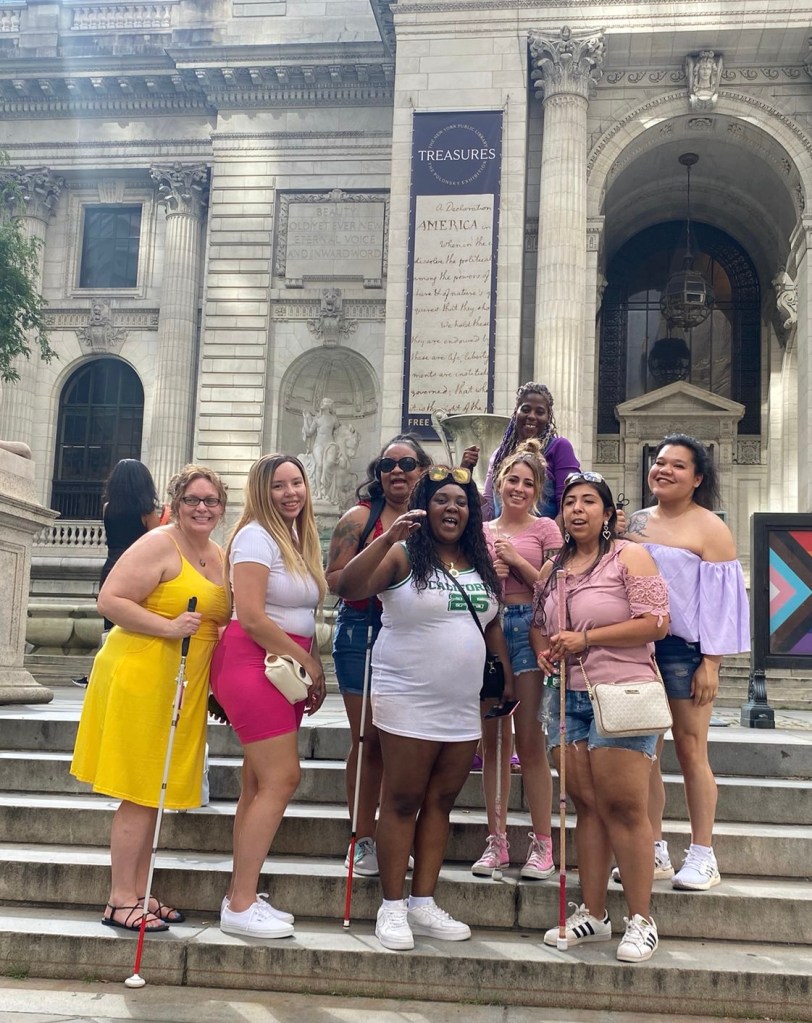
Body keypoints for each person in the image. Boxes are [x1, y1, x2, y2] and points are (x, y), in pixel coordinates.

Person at [336, 466, 512, 952]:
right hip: (407, 696)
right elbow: (349, 587)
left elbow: (491, 624)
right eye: (441, 500)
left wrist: (503, 676)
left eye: (461, 501)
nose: (452, 508)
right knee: (402, 799)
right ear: (424, 508)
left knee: (441, 801)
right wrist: (388, 537)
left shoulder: (479, 562)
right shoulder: (403, 555)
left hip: (461, 703)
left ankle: (422, 901)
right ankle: (392, 906)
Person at [71, 464, 229, 932]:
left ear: (222, 508)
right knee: (139, 791)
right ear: (175, 505)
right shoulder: (159, 543)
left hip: (183, 683)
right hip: (141, 673)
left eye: (211, 500)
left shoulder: (218, 554)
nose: (202, 508)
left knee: (154, 791)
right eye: (192, 500)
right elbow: (110, 599)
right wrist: (169, 626)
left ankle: (139, 892)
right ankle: (120, 899)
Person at [531, 470, 670, 963]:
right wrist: (545, 649)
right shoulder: (552, 568)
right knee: (585, 805)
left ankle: (641, 919)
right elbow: (539, 625)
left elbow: (656, 622)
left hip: (622, 692)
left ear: (608, 513)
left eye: (589, 501)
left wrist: (587, 638)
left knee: (625, 807)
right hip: (566, 698)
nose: (578, 509)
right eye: (570, 501)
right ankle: (594, 913)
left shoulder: (629, 556)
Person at [621, 435, 749, 890]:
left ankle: (703, 854)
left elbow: (720, 603)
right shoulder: (635, 522)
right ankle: (653, 848)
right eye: (660, 462)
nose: (664, 470)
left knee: (692, 751)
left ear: (697, 478)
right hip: (636, 648)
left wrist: (711, 662)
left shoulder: (711, 528)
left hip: (684, 650)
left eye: (678, 465)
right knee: (645, 755)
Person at [211, 454, 327, 939]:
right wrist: (309, 664)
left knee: (258, 783)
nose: (290, 493)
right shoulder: (256, 537)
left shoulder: (297, 538)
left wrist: (312, 661)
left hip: (284, 665)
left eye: (296, 482)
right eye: (278, 486)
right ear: (261, 492)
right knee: (282, 778)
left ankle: (241, 894)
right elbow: (254, 616)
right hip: (255, 661)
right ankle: (240, 905)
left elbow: (302, 615)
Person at [326, 434, 432, 877]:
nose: (397, 472)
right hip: (362, 630)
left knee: (402, 741)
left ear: (422, 470)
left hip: (412, 634)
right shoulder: (359, 518)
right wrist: (385, 545)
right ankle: (361, 836)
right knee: (367, 739)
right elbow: (334, 579)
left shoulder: (435, 517)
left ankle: (393, 834)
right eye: (388, 465)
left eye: (407, 464)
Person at [473, 440, 563, 879]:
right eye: (513, 480)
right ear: (499, 483)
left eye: (528, 483)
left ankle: (542, 843)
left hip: (529, 627)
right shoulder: (481, 530)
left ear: (537, 490)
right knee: (492, 741)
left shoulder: (546, 529)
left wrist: (516, 562)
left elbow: (553, 585)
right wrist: (492, 573)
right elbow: (469, 580)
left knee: (528, 740)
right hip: (489, 628)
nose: (519, 488)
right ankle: (497, 840)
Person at [71, 459, 163, 687]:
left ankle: (98, 672)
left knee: (110, 627)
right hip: (137, 570)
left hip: (111, 568)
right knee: (135, 623)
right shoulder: (147, 512)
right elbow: (158, 542)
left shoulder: (108, 508)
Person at [476, 382, 581, 522]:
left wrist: (551, 535)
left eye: (540, 412)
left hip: (545, 535)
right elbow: (488, 513)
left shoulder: (559, 448)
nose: (531, 416)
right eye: (525, 409)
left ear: (548, 417)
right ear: (516, 412)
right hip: (501, 535)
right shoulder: (499, 456)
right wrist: (466, 477)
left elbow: (567, 506)